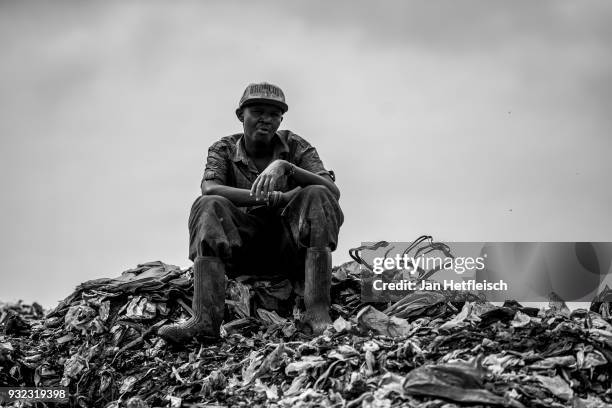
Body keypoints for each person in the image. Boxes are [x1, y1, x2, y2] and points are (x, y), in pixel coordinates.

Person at [158, 82, 343, 344]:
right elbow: (209, 188)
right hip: (242, 251)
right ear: (240, 115)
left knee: (317, 194)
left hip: (288, 249)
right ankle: (204, 321)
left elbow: (331, 190)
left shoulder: (297, 147)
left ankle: (317, 313)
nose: (265, 119)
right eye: (257, 111)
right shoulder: (223, 148)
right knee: (208, 205)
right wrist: (267, 199)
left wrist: (286, 167)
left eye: (273, 113)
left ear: (281, 119)